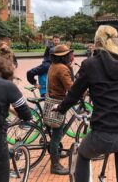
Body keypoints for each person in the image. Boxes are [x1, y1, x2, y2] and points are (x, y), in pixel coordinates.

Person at [55, 25, 118, 182]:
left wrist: (60, 109)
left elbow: (74, 94)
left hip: (104, 132)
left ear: (96, 41)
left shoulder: (90, 64)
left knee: (82, 153)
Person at [47, 44, 73, 175]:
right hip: (58, 103)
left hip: (50, 100)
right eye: (68, 54)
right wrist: (85, 91)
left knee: (55, 133)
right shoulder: (62, 69)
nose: (70, 56)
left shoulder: (53, 66)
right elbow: (71, 88)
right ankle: (55, 165)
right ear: (64, 57)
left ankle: (55, 152)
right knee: (56, 136)